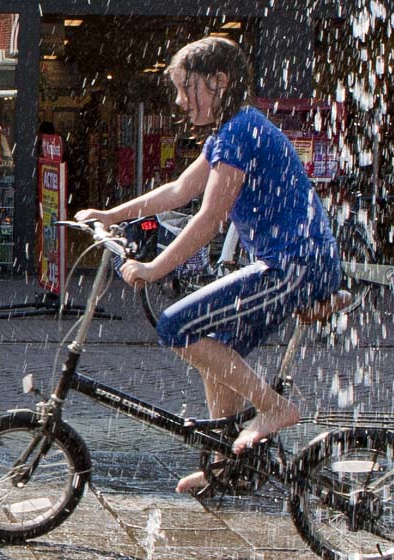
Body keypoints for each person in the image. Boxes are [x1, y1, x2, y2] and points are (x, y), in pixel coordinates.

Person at [75, 37, 343, 494]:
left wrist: (154, 268)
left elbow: (210, 217)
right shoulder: (230, 132)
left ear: (219, 83)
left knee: (177, 326)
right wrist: (111, 215)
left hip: (294, 264)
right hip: (295, 263)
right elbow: (179, 191)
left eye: (186, 88)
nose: (180, 101)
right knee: (215, 348)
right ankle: (225, 467)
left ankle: (274, 408)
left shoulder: (240, 132)